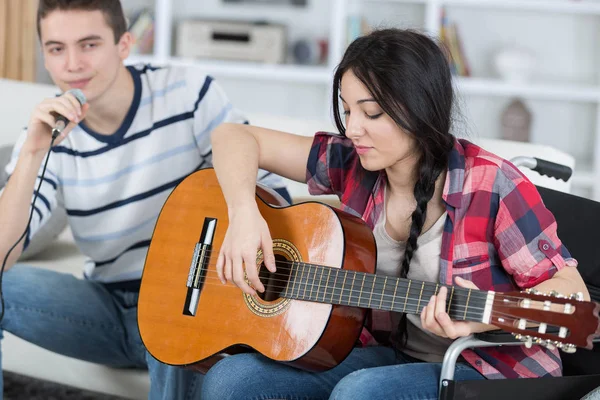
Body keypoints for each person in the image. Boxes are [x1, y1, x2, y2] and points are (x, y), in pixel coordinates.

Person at [203, 28, 590, 400]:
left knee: (360, 393)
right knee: (232, 380)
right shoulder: (353, 164)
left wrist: (482, 318)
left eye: (370, 113)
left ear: (419, 109)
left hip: (489, 371)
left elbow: (573, 300)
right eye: (347, 110)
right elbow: (233, 136)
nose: (353, 128)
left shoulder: (493, 184)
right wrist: (244, 216)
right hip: (393, 354)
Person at [0, 1, 290, 399]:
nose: (72, 64)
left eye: (88, 45)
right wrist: (32, 153)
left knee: (173, 323)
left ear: (124, 44)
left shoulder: (187, 93)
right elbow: (3, 253)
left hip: (191, 300)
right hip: (105, 309)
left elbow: (274, 196)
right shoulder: (47, 134)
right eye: (55, 49)